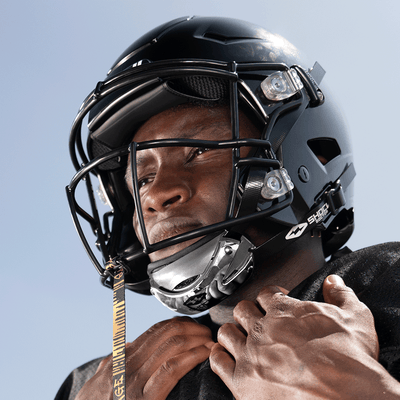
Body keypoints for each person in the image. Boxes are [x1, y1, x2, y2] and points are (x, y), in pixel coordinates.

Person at [57, 16, 400, 399]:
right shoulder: (97, 383)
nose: (156, 195)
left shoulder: (386, 284)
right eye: (141, 180)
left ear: (306, 154)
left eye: (199, 150)